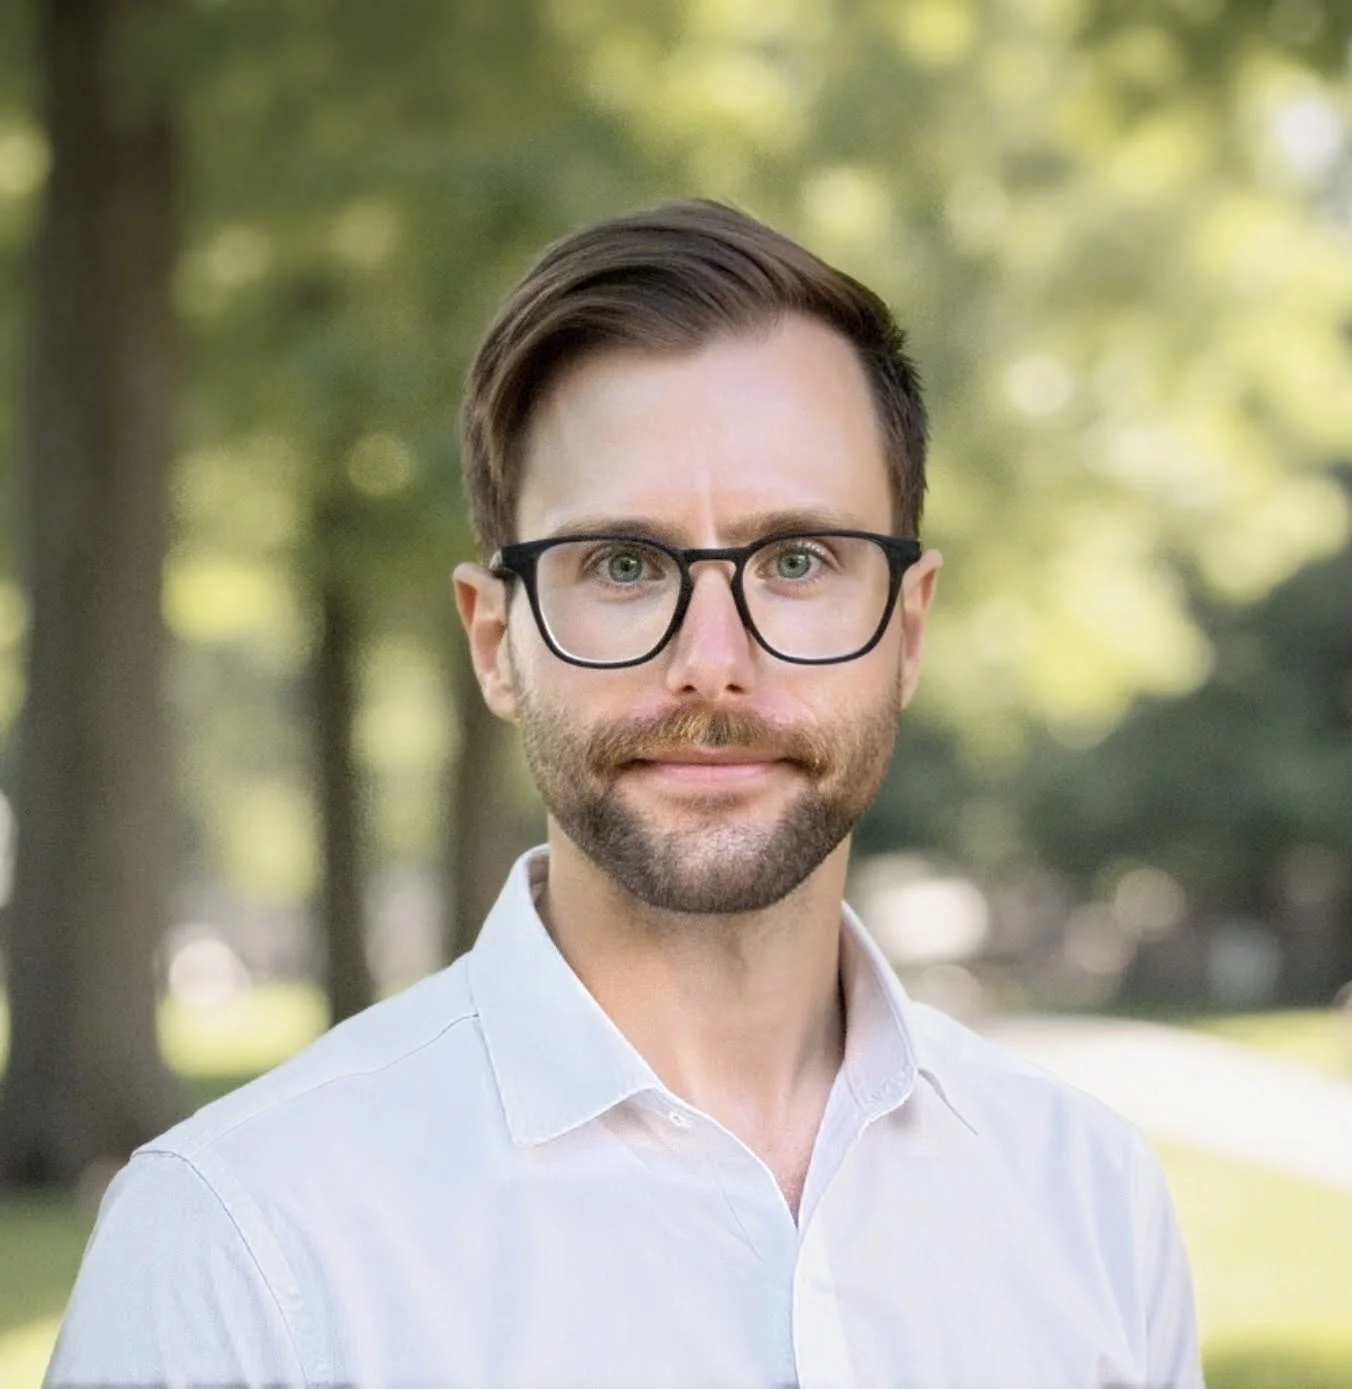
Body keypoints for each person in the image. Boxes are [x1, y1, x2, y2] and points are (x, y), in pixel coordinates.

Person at [47, 200, 1203, 1388]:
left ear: (906, 630)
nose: (711, 657)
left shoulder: (1092, 1202)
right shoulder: (236, 1242)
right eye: (622, 564)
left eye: (797, 560)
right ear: (496, 641)